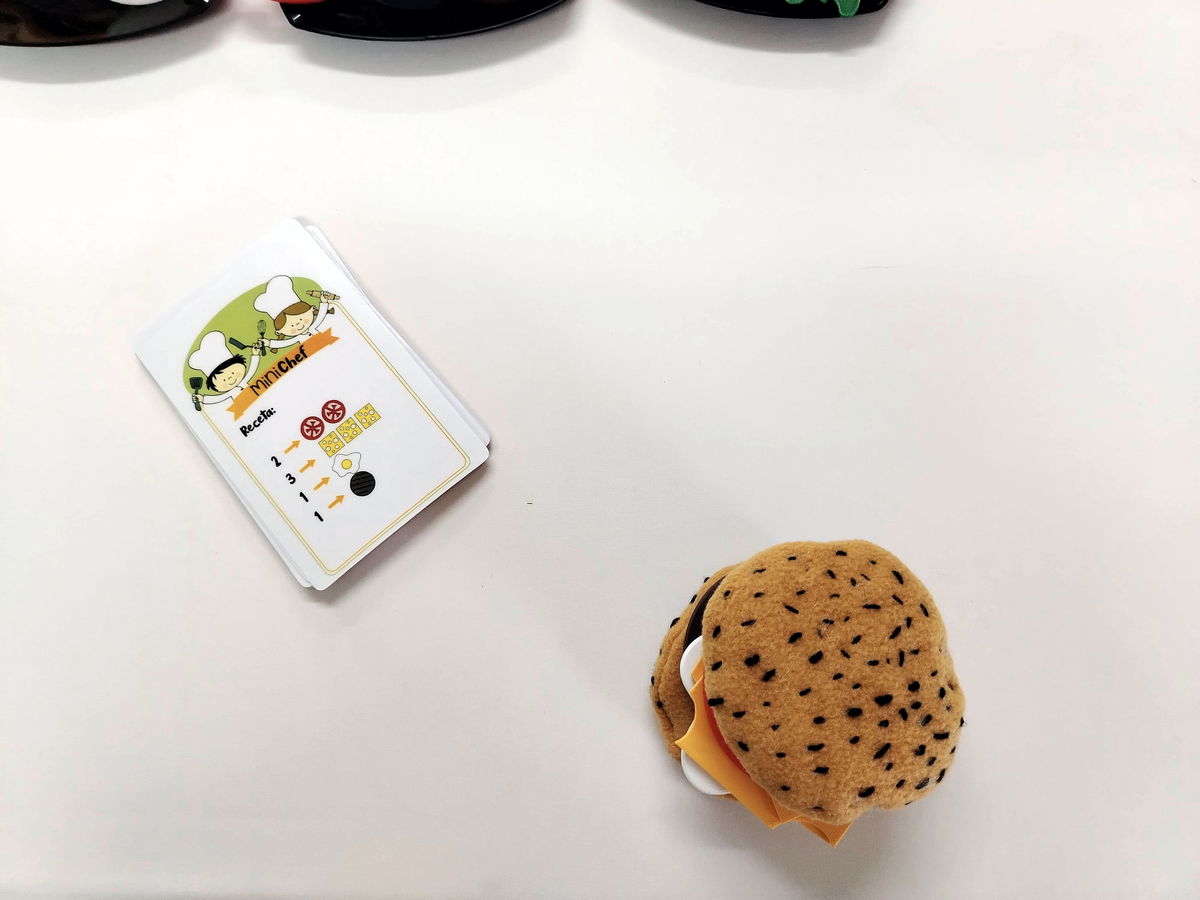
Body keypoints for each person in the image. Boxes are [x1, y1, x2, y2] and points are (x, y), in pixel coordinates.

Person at [253, 274, 336, 349]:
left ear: (311, 309)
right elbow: (285, 343)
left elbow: (320, 316)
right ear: (280, 331)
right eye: (292, 325)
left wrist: (324, 301)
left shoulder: (312, 327)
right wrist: (269, 343)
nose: (299, 325)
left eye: (301, 319)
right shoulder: (298, 338)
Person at [188, 330, 261, 407]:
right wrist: (202, 399)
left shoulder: (244, 381)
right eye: (224, 380)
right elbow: (218, 398)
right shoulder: (230, 393)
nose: (230, 378)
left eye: (232, 372)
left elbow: (252, 370)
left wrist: (255, 354)